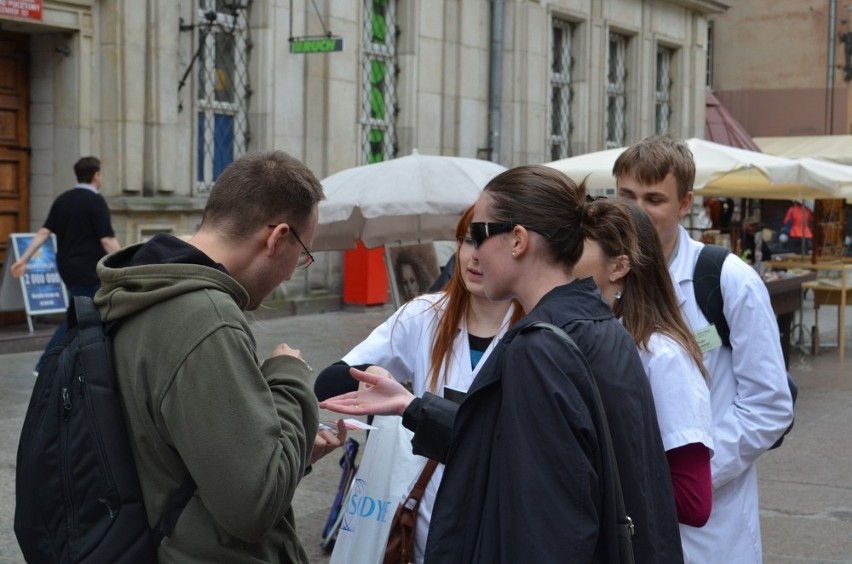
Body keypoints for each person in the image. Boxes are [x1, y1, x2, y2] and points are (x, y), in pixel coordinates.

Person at [321, 165, 684, 563]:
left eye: (478, 234)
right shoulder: (593, 324)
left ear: (517, 240)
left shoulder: (541, 347)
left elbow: (545, 523)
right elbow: (502, 444)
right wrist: (410, 406)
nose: (472, 252)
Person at [93, 151, 345, 563]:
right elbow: (253, 507)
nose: (290, 273)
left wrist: (295, 451)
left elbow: (186, 456)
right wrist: (289, 376)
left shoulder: (141, 286)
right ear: (278, 237)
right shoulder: (206, 319)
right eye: (302, 255)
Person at [614, 135, 794, 564]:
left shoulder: (726, 279)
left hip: (711, 528)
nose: (637, 210)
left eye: (654, 198)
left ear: (684, 204)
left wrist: (680, 479)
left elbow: (770, 406)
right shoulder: (602, 279)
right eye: (626, 195)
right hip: (623, 517)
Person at [315, 206, 524, 563]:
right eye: (467, 240)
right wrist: (375, 378)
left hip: (502, 517)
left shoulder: (536, 330)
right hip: (424, 511)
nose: (475, 256)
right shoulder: (425, 315)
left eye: (488, 242)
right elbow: (330, 383)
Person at [575, 198, 714, 555]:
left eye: (577, 246)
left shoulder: (663, 355)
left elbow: (692, 499)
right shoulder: (602, 334)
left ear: (619, 266)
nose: (563, 256)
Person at [11, 156, 120, 374]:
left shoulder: (62, 200)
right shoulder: (95, 201)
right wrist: (129, 262)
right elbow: (107, 240)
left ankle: (72, 363)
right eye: (101, 174)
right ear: (96, 175)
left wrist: (23, 259)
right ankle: (48, 364)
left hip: (68, 269)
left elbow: (43, 232)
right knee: (87, 317)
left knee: (80, 314)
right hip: (89, 271)